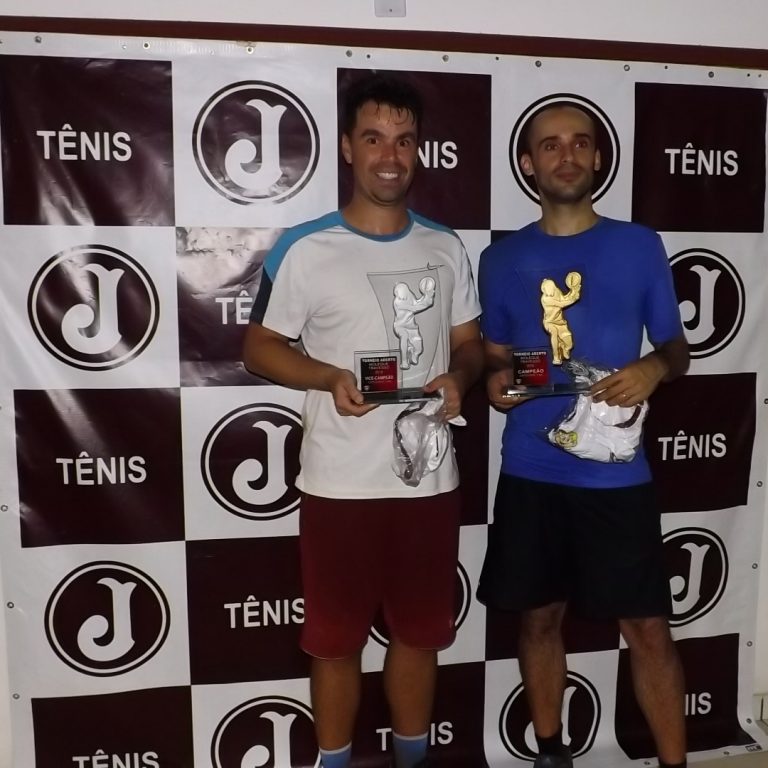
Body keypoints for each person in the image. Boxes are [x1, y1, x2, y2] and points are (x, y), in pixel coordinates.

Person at [243, 73, 483, 768]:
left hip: (427, 482)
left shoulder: (446, 246)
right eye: (374, 138)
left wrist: (460, 377)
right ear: (348, 148)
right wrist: (327, 377)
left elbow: (469, 344)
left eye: (404, 141)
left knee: (420, 635)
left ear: (419, 151)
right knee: (335, 642)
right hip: (339, 483)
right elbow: (258, 347)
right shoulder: (305, 246)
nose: (390, 155)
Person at [476, 102, 689, 768]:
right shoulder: (500, 257)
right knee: (538, 620)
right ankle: (551, 753)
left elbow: (675, 348)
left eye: (579, 143)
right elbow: (494, 355)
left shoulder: (640, 245)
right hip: (532, 470)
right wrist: (494, 379)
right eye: (550, 145)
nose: (565, 156)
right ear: (528, 163)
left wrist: (654, 367)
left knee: (647, 629)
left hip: (616, 476)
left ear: (598, 158)